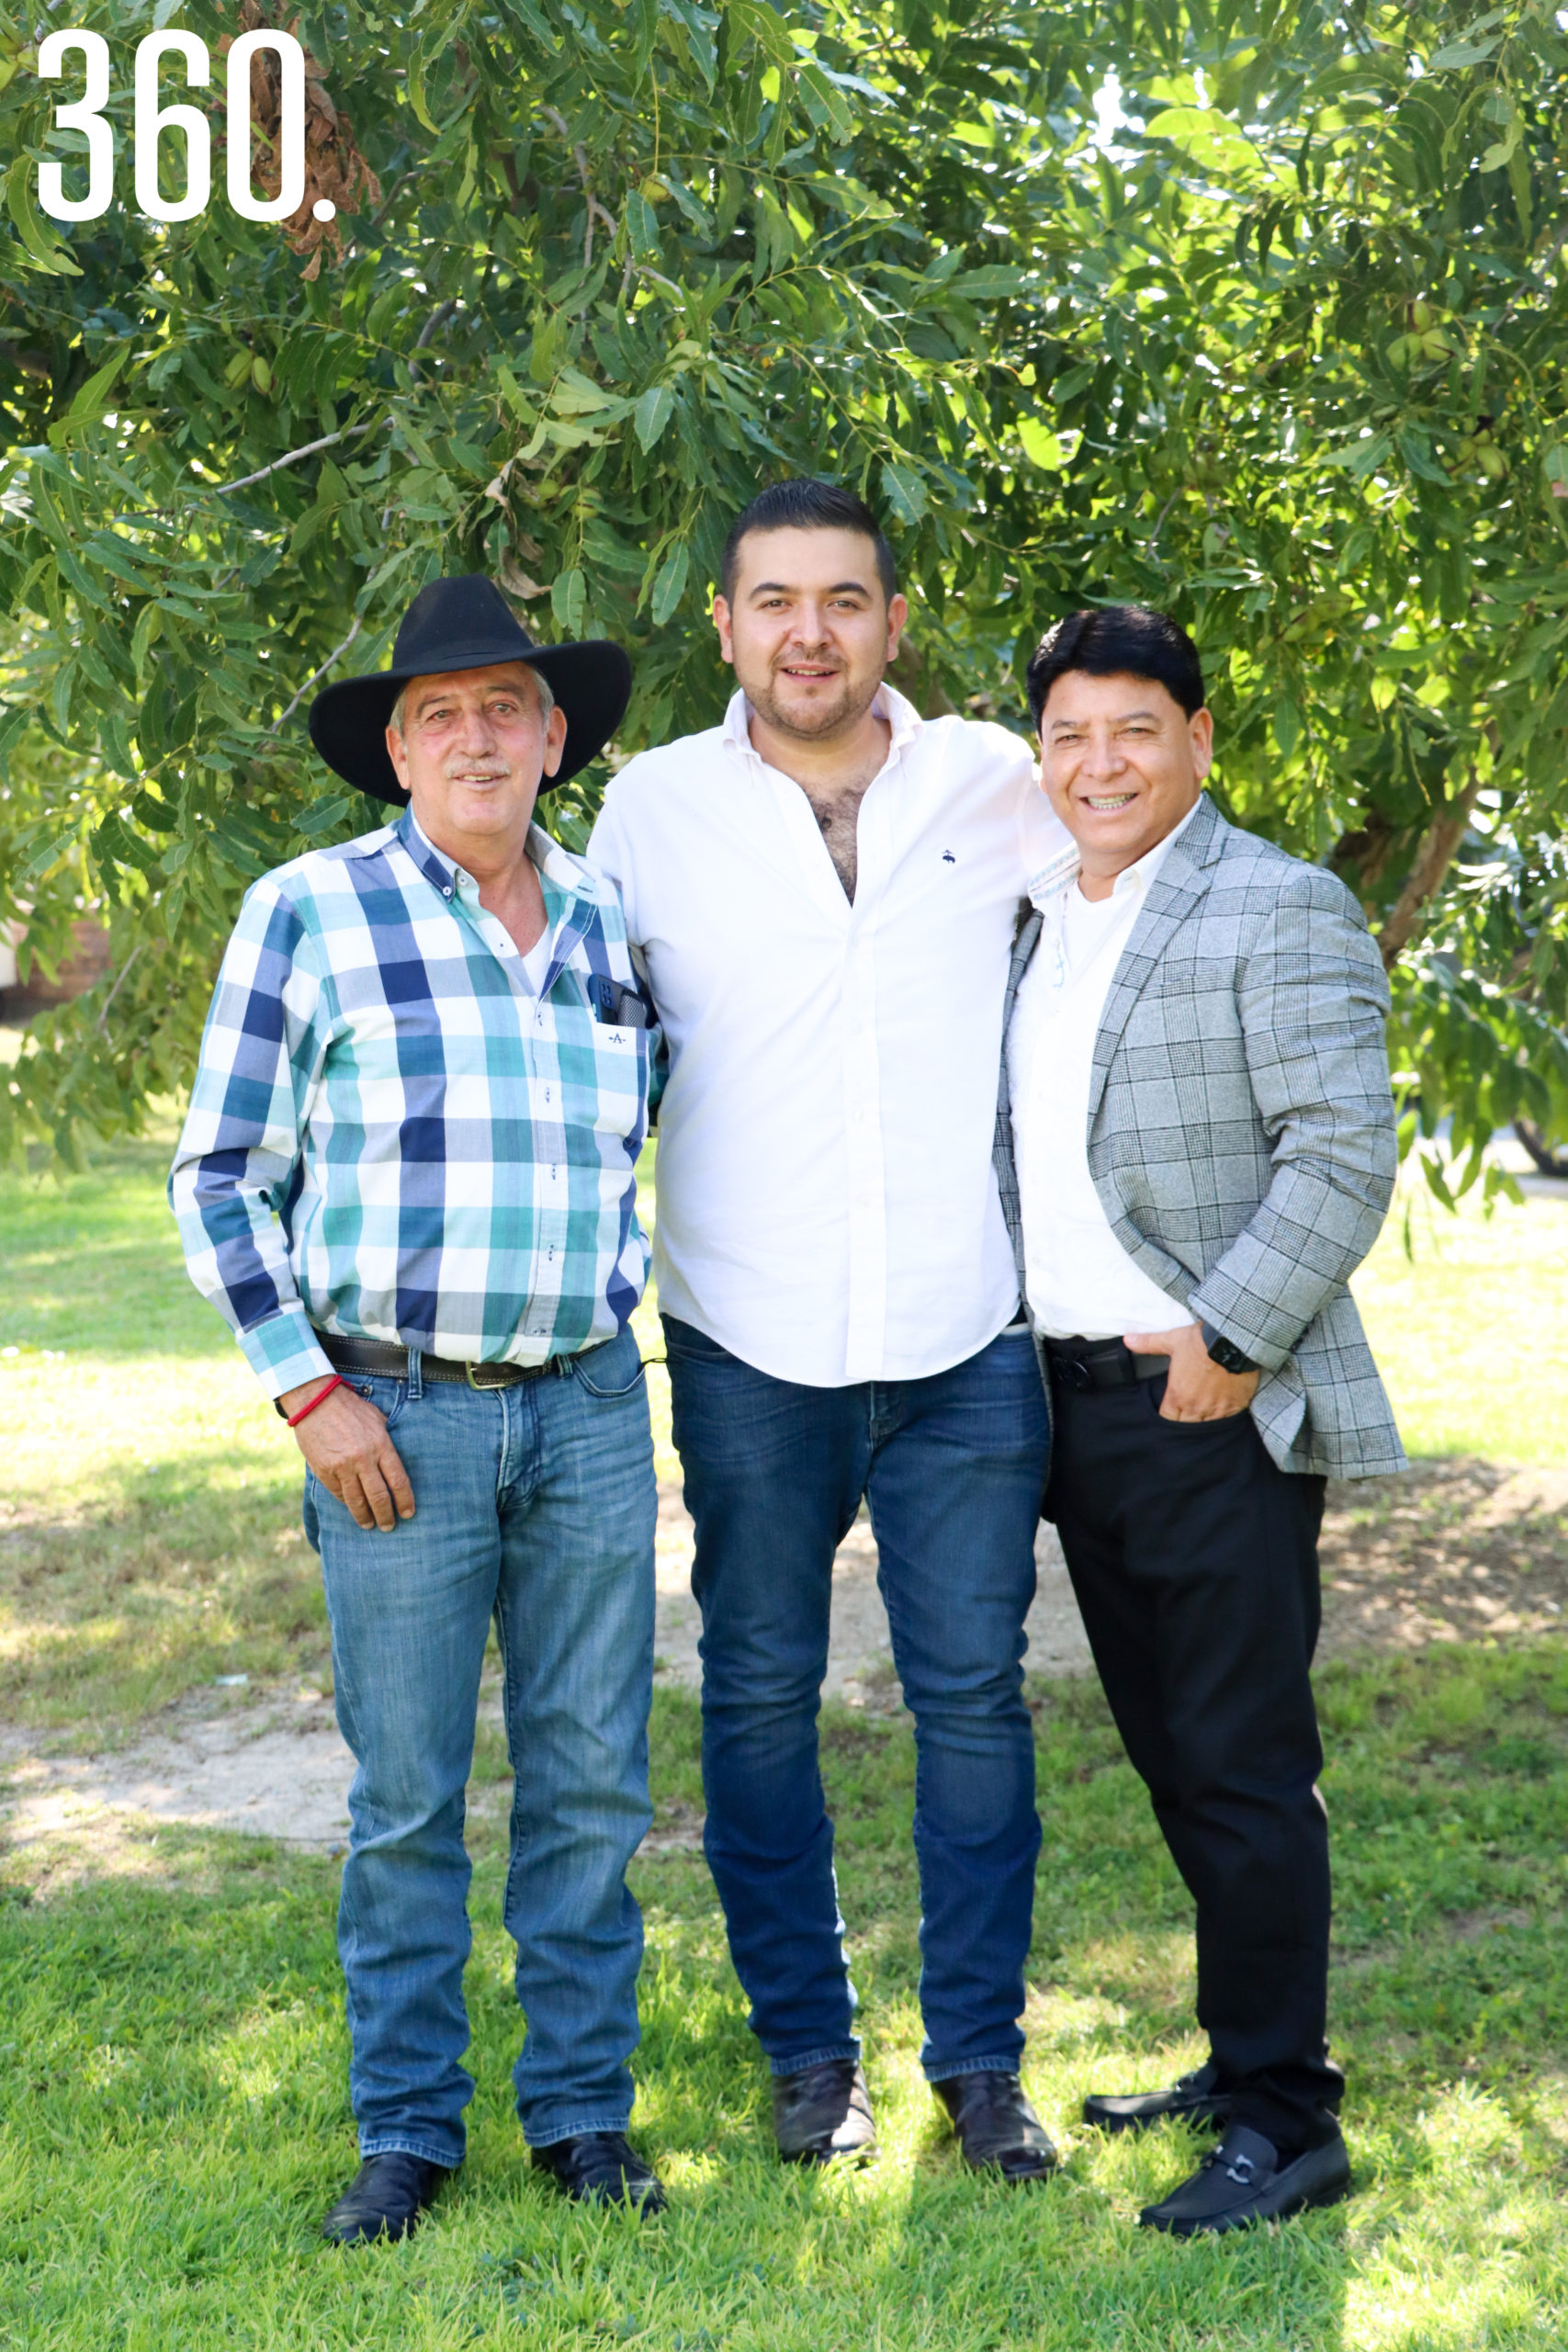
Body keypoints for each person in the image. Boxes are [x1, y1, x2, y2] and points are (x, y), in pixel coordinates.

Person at [170, 575, 668, 2243]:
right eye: (438, 714)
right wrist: (310, 1394)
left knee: (594, 1780)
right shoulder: (306, 910)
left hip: (593, 1409)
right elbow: (220, 1175)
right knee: (406, 1798)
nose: (475, 737)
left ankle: (585, 2118)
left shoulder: (609, 925)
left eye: (505, 709)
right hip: (391, 1417)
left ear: (553, 741)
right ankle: (407, 2130)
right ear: (397, 750)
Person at [589, 479, 1072, 2181]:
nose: (811, 632)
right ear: (722, 626)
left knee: (976, 1704)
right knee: (759, 1700)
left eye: (845, 601)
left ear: (893, 622)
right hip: (745, 1339)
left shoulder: (998, 788)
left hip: (966, 1338)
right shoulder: (646, 813)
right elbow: (577, 1040)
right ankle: (809, 2056)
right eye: (776, 601)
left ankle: (982, 2065)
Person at [997, 603, 1404, 2234]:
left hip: (1208, 1403)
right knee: (1174, 1757)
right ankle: (1250, 2062)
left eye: (1134, 732)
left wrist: (1233, 1334)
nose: (1100, 764)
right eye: (1071, 737)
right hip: (1067, 1406)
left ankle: (1289, 2126)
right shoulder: (1040, 917)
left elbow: (1342, 1152)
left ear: (1198, 740)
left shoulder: (1280, 904)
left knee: (1240, 1763)